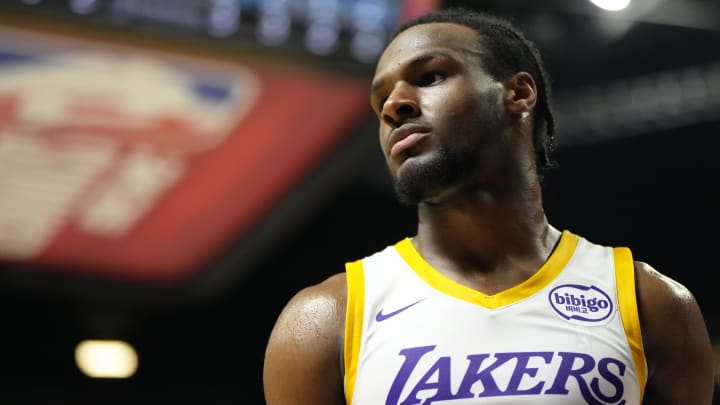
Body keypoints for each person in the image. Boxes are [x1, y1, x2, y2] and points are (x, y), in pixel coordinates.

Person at [263, 6, 715, 405]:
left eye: (430, 77)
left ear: (518, 94)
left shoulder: (649, 302)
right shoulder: (326, 318)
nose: (395, 106)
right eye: (382, 100)